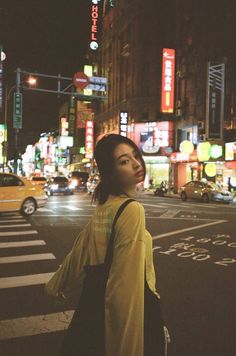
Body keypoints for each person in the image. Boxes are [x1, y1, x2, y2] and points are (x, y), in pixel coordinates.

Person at [45, 134, 169, 356]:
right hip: (127, 315)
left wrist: (56, 285)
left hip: (93, 307)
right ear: (110, 172)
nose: (136, 164)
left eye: (134, 155)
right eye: (123, 161)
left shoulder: (106, 206)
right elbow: (124, 286)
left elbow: (81, 251)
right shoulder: (131, 210)